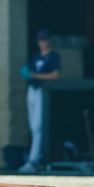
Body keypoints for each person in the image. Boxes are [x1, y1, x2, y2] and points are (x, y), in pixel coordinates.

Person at [19, 29, 60, 174]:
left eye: (45, 40)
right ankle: (35, 157)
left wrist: (35, 75)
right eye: (40, 40)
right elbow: (28, 72)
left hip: (44, 91)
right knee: (33, 126)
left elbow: (55, 75)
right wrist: (28, 74)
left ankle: (34, 159)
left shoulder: (53, 56)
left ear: (49, 40)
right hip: (32, 90)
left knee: (38, 127)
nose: (42, 43)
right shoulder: (36, 56)